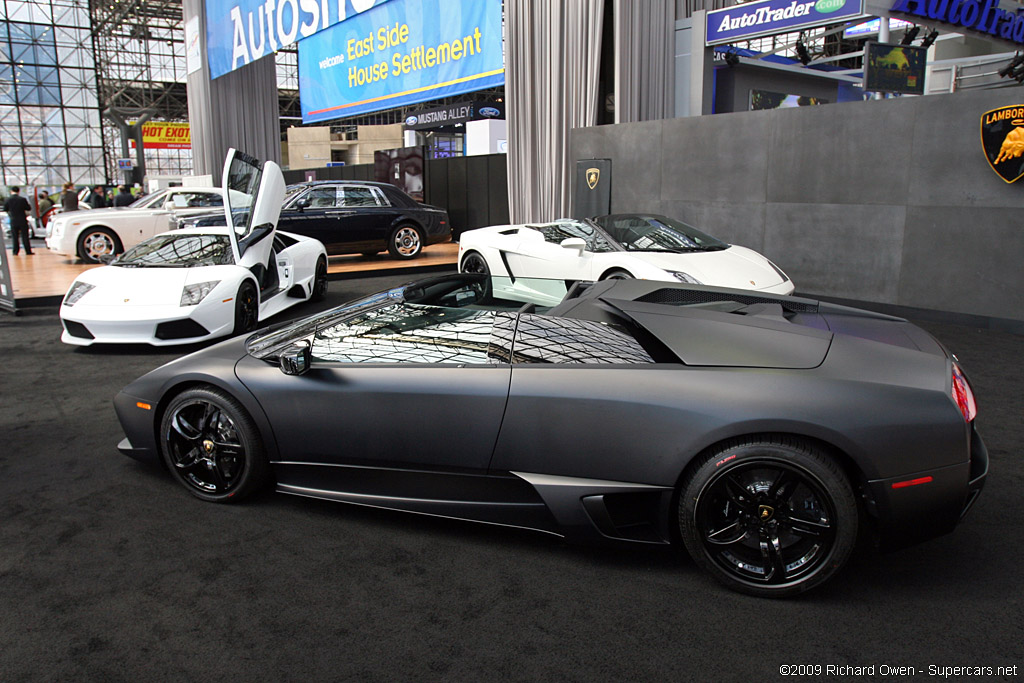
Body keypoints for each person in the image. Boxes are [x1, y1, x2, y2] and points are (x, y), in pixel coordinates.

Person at [3, 186, 33, 255]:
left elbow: (5, 209)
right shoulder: (22, 199)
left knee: (15, 236)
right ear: (19, 191)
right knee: (25, 236)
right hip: (22, 219)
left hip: (13, 220)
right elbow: (28, 208)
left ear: (11, 191)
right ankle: (28, 251)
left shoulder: (8, 199)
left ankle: (15, 251)